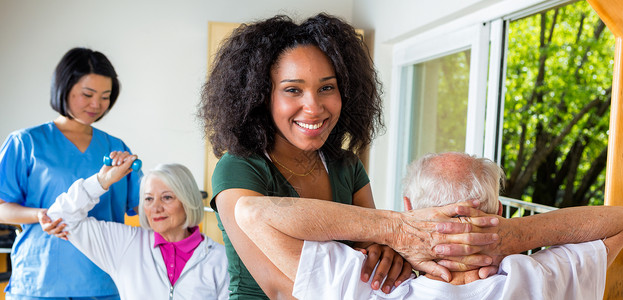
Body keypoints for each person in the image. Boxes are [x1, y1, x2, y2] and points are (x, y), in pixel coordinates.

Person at [198, 14, 499, 299]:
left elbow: (376, 253)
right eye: (293, 90)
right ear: (262, 97)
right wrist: (392, 233)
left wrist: (387, 255)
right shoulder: (238, 168)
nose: (313, 107)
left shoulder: (347, 166)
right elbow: (281, 289)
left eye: (327, 87)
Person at [234, 152, 623, 299]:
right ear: (497, 208)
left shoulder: (368, 284)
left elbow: (253, 214)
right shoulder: (540, 278)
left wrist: (395, 229)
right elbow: (620, 221)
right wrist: (514, 236)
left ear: (408, 206)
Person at [0, 47, 141, 299]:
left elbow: (143, 209)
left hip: (104, 281)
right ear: (64, 88)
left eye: (106, 96)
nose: (96, 104)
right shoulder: (25, 143)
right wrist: (40, 215)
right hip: (40, 281)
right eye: (87, 94)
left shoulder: (117, 149)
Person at [46, 152, 230, 299]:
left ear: (187, 200)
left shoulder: (220, 259)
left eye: (167, 197)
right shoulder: (125, 243)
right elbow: (59, 216)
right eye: (148, 199)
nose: (156, 208)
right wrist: (103, 180)